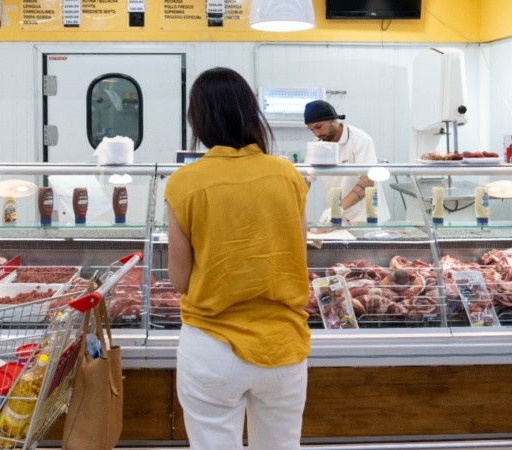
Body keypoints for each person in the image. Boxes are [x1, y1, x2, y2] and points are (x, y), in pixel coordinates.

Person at [164, 67, 310, 450]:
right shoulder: (287, 175)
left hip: (212, 347)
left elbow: (180, 280)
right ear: (251, 112)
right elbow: (296, 255)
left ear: (198, 119)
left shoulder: (184, 182)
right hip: (282, 346)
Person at [304, 100, 391, 223]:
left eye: (319, 127)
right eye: (312, 130)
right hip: (339, 215)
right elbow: (306, 178)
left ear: (333, 119)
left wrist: (338, 208)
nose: (316, 133)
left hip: (366, 216)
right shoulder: (317, 144)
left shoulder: (360, 140)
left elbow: (367, 181)